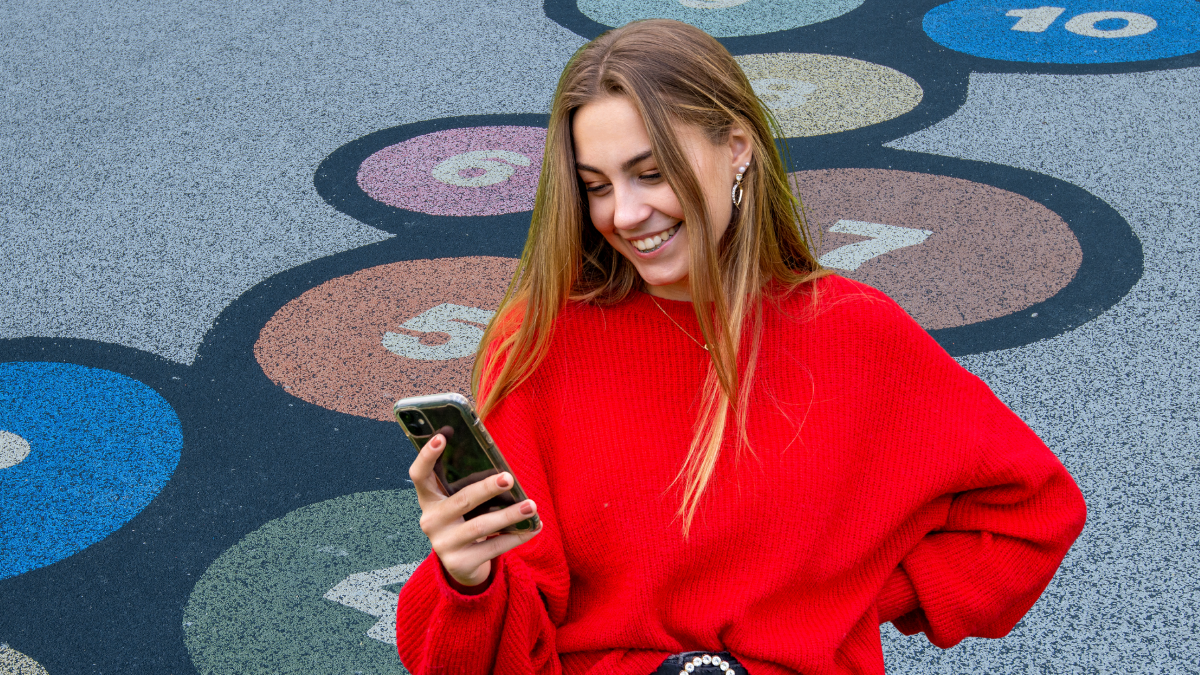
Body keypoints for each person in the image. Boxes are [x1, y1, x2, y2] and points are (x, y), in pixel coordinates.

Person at [396, 18, 1086, 675]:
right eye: (596, 187)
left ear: (737, 148)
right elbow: (485, 646)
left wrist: (852, 598)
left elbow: (1033, 510)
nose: (625, 215)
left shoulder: (856, 333)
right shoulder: (539, 342)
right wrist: (468, 575)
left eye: (653, 171)